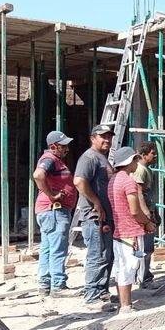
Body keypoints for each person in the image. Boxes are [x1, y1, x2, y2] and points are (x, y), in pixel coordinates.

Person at [73, 124, 116, 310]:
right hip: (94, 217)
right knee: (97, 255)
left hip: (104, 217)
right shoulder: (89, 157)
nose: (107, 140)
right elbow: (79, 182)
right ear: (93, 138)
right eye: (102, 136)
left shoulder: (101, 158)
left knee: (107, 255)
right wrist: (96, 202)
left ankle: (102, 290)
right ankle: (91, 296)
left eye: (109, 136)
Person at [108, 146, 156, 314]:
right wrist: (147, 223)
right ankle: (126, 306)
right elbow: (134, 210)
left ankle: (123, 304)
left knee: (121, 268)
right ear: (129, 161)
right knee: (128, 268)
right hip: (130, 232)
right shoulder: (128, 181)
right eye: (135, 159)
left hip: (119, 231)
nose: (137, 162)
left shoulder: (113, 180)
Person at [32, 130, 79, 298]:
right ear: (53, 147)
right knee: (58, 248)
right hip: (54, 211)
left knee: (47, 248)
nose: (67, 149)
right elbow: (38, 175)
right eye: (63, 146)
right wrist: (52, 196)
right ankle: (58, 285)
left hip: (49, 211)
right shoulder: (49, 159)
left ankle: (45, 285)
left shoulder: (54, 160)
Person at [131, 141, 158, 288]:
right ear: (143, 155)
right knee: (145, 248)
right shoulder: (140, 170)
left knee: (145, 247)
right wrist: (147, 214)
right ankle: (143, 278)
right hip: (143, 215)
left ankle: (142, 276)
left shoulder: (145, 169)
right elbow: (139, 193)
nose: (155, 156)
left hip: (146, 211)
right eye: (153, 154)